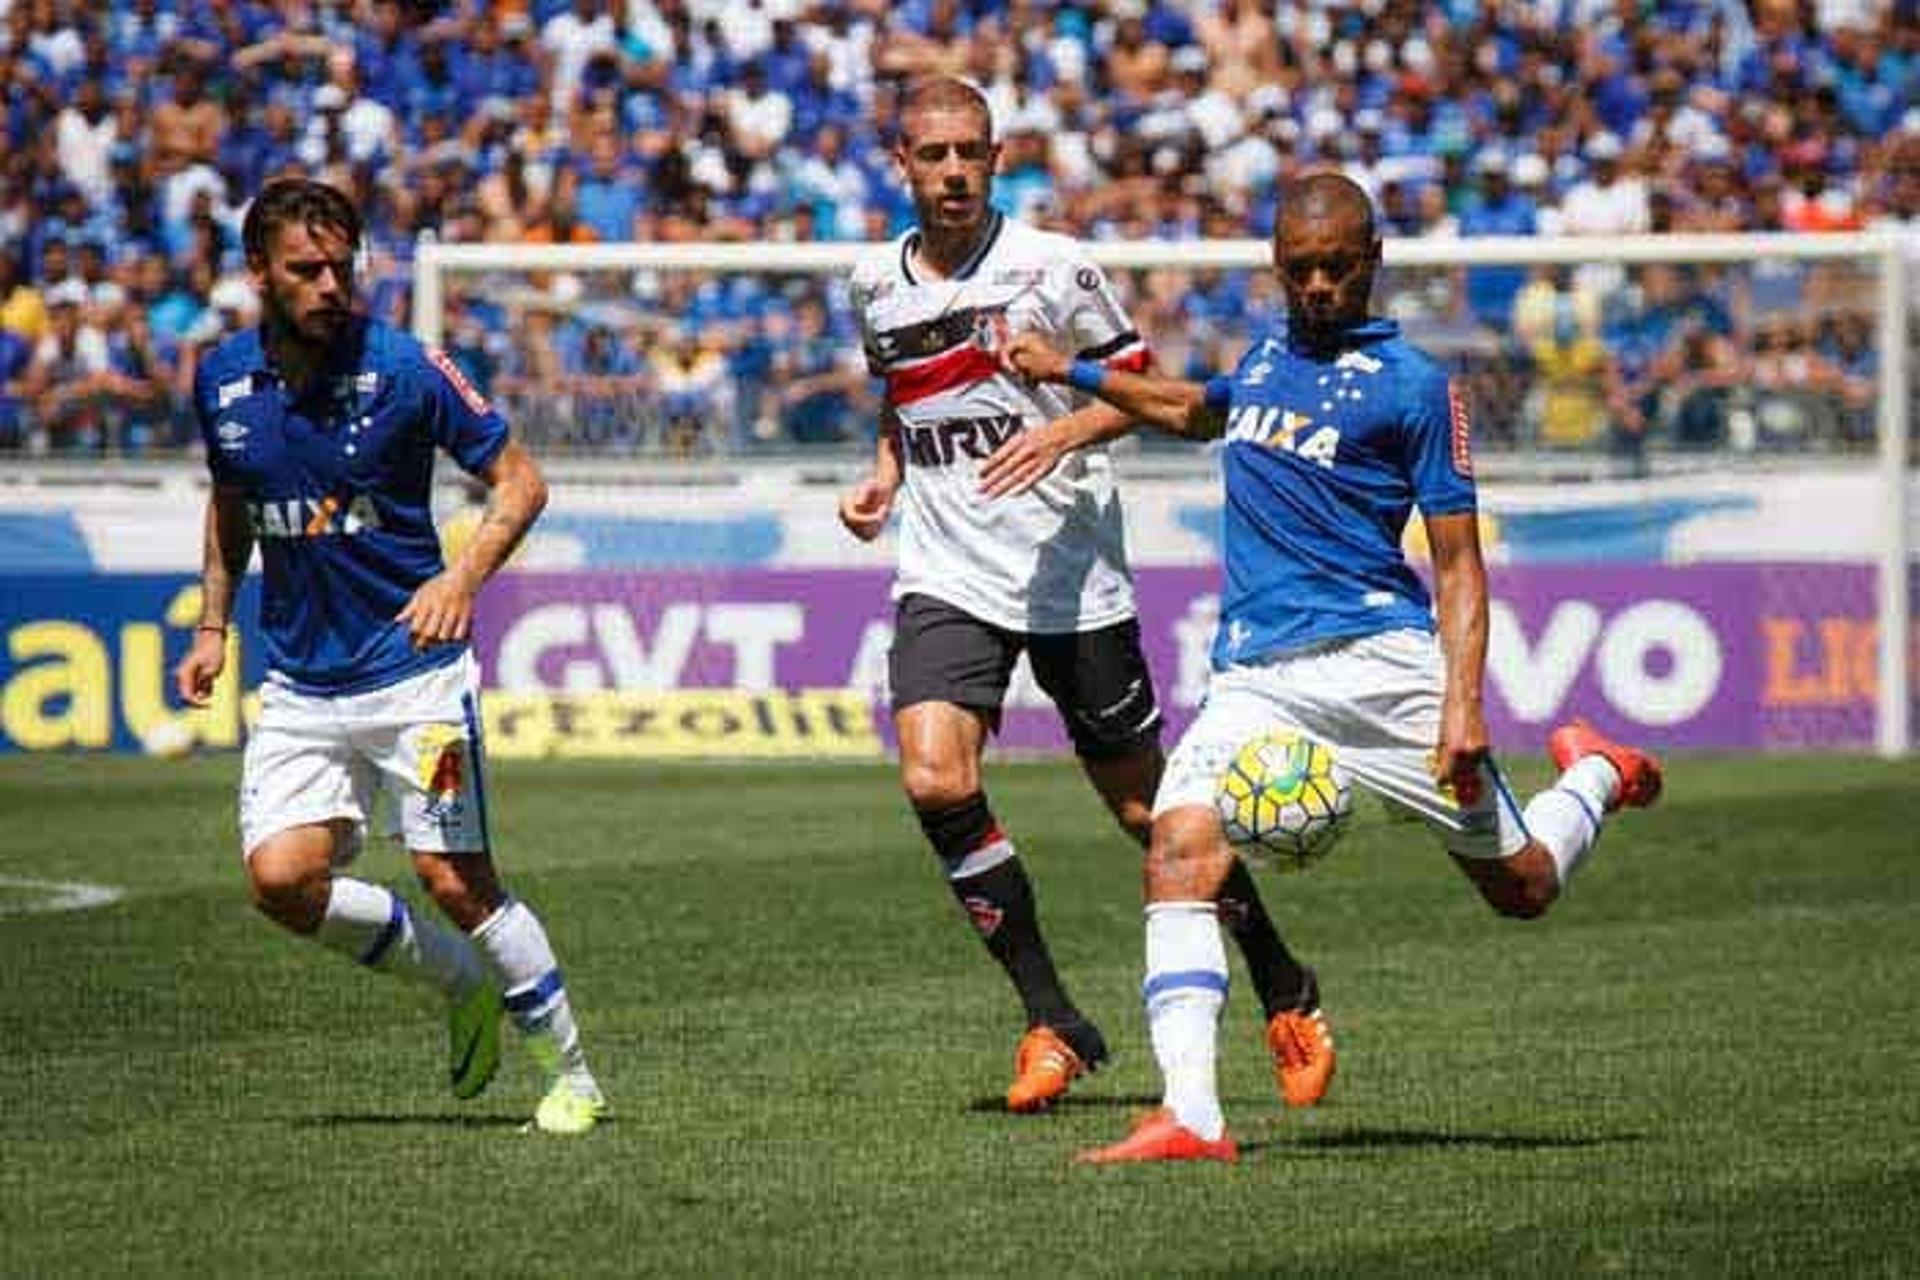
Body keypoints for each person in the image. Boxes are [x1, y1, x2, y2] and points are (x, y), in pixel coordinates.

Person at [1001, 171, 1663, 1163]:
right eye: (1300, 269)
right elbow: (1193, 407)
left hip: (1383, 665)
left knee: (1521, 885)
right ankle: (1194, 1114)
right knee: (1178, 846)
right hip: (1256, 678)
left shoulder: (1417, 389)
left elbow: (1459, 565)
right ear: (1277, 268)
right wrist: (1072, 373)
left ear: (1372, 263)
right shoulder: (1265, 360)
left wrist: (1462, 706)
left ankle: (1599, 771)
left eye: (1336, 268)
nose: (1317, 285)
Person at [837, 76, 1330, 1115]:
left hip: (1069, 572)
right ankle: (1050, 1017)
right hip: (946, 569)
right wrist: (887, 471)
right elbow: (902, 391)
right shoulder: (872, 283)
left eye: (971, 151)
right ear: (903, 164)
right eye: (934, 155)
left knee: (1151, 813)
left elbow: (1146, 385)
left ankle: (1283, 982)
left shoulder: (1054, 267)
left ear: (997, 156)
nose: (955, 171)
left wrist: (1067, 422)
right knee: (934, 779)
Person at [172, 178, 606, 1135]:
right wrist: (213, 626)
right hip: (299, 685)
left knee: (454, 878)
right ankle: (461, 988)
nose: (331, 284)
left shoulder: (410, 366)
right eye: (306, 269)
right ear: (258, 275)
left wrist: (461, 580)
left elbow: (522, 484)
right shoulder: (222, 380)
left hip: (417, 680)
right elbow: (232, 501)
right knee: (280, 881)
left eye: (342, 265)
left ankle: (571, 1074)